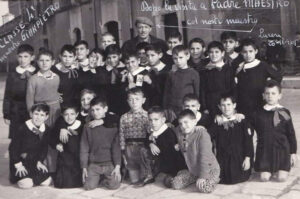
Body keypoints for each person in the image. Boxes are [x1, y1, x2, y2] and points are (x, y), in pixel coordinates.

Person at [3, 44, 37, 183]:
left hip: (33, 111)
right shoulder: (12, 74)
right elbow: (7, 96)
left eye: (26, 57)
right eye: (20, 57)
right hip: (17, 112)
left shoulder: (37, 71)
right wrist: (6, 113)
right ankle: (15, 173)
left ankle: (31, 171)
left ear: (32, 57)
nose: (23, 60)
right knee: (16, 141)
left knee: (31, 141)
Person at [252, 80, 297, 182]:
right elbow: (249, 127)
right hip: (265, 151)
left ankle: (280, 169)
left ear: (279, 96)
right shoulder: (258, 113)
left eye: (273, 93)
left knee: (281, 178)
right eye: (267, 93)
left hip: (282, 150)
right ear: (263, 95)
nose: (270, 96)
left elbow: (291, 133)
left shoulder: (284, 112)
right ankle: (268, 169)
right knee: (264, 178)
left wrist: (293, 153)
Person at [26, 50, 61, 174]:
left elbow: (57, 94)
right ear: (37, 62)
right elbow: (30, 100)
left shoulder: (57, 77)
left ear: (53, 62)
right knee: (42, 140)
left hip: (55, 112)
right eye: (41, 60)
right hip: (40, 113)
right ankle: (42, 167)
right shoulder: (33, 79)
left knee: (54, 138)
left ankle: (54, 168)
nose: (44, 63)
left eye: (47, 60)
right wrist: (34, 117)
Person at [170, 109, 220, 193]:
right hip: (193, 170)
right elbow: (172, 129)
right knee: (175, 184)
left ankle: (214, 179)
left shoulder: (202, 134)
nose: (183, 126)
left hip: (209, 168)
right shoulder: (180, 131)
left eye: (186, 122)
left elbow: (205, 157)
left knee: (205, 188)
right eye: (181, 123)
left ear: (194, 122)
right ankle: (191, 177)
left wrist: (203, 176)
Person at [208, 92, 253, 184]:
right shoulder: (218, 122)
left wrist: (247, 159)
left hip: (239, 158)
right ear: (219, 107)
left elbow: (248, 142)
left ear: (234, 105)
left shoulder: (241, 121)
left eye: (229, 104)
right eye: (223, 105)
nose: (226, 108)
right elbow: (207, 137)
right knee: (222, 178)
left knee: (238, 177)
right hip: (223, 158)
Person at [80, 97, 121, 190]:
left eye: (98, 109)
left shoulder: (113, 127)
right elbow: (84, 148)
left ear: (105, 109)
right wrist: (84, 167)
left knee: (114, 185)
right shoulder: (87, 127)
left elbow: (116, 148)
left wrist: (117, 166)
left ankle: (103, 179)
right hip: (94, 164)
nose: (95, 112)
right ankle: (97, 177)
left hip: (109, 163)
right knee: (88, 186)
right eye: (93, 110)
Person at [236, 38, 282, 119]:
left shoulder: (262, 65)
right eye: (245, 52)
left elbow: (278, 76)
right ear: (241, 53)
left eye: (251, 51)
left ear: (256, 51)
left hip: (260, 101)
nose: (248, 54)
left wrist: (269, 86)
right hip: (244, 103)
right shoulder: (240, 68)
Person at [141, 106, 187, 187]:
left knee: (168, 182)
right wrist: (151, 143)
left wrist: (156, 142)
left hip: (172, 163)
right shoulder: (152, 131)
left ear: (163, 120)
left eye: (156, 120)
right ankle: (150, 174)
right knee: (143, 150)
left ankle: (170, 175)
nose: (153, 123)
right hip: (160, 159)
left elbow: (170, 152)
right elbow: (146, 140)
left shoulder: (168, 132)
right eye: (150, 120)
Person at [9, 103, 52, 188]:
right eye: (36, 114)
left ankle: (32, 176)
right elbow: (13, 149)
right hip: (21, 162)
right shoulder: (22, 129)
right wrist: (18, 165)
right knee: (27, 184)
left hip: (34, 162)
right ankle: (19, 176)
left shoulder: (46, 129)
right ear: (31, 114)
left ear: (46, 117)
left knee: (46, 182)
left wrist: (40, 161)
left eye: (42, 115)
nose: (38, 117)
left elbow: (44, 148)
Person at [119, 88, 151, 184]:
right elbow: (121, 133)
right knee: (134, 180)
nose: (134, 102)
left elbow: (151, 133)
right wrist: (122, 148)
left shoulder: (147, 116)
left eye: (137, 99)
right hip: (129, 148)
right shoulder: (124, 117)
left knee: (143, 178)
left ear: (143, 100)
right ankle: (131, 172)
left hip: (142, 148)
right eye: (131, 99)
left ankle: (148, 172)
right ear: (127, 101)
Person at [50, 104, 83, 188]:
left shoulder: (81, 125)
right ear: (62, 115)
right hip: (64, 157)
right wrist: (56, 145)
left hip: (77, 157)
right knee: (62, 184)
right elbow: (51, 138)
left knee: (78, 182)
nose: (69, 117)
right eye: (66, 114)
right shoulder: (60, 126)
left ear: (77, 114)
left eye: (72, 114)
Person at [200, 41, 235, 117]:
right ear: (208, 54)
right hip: (210, 105)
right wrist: (205, 107)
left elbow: (233, 89)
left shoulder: (228, 70)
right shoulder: (205, 70)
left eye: (217, 52)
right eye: (211, 52)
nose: (214, 55)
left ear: (222, 53)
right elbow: (202, 90)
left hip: (225, 105)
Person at [163, 45, 200, 115]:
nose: (178, 61)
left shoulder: (193, 73)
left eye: (181, 58)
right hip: (172, 109)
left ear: (188, 56)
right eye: (175, 58)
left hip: (188, 108)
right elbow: (166, 93)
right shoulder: (171, 73)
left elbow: (197, 93)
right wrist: (165, 108)